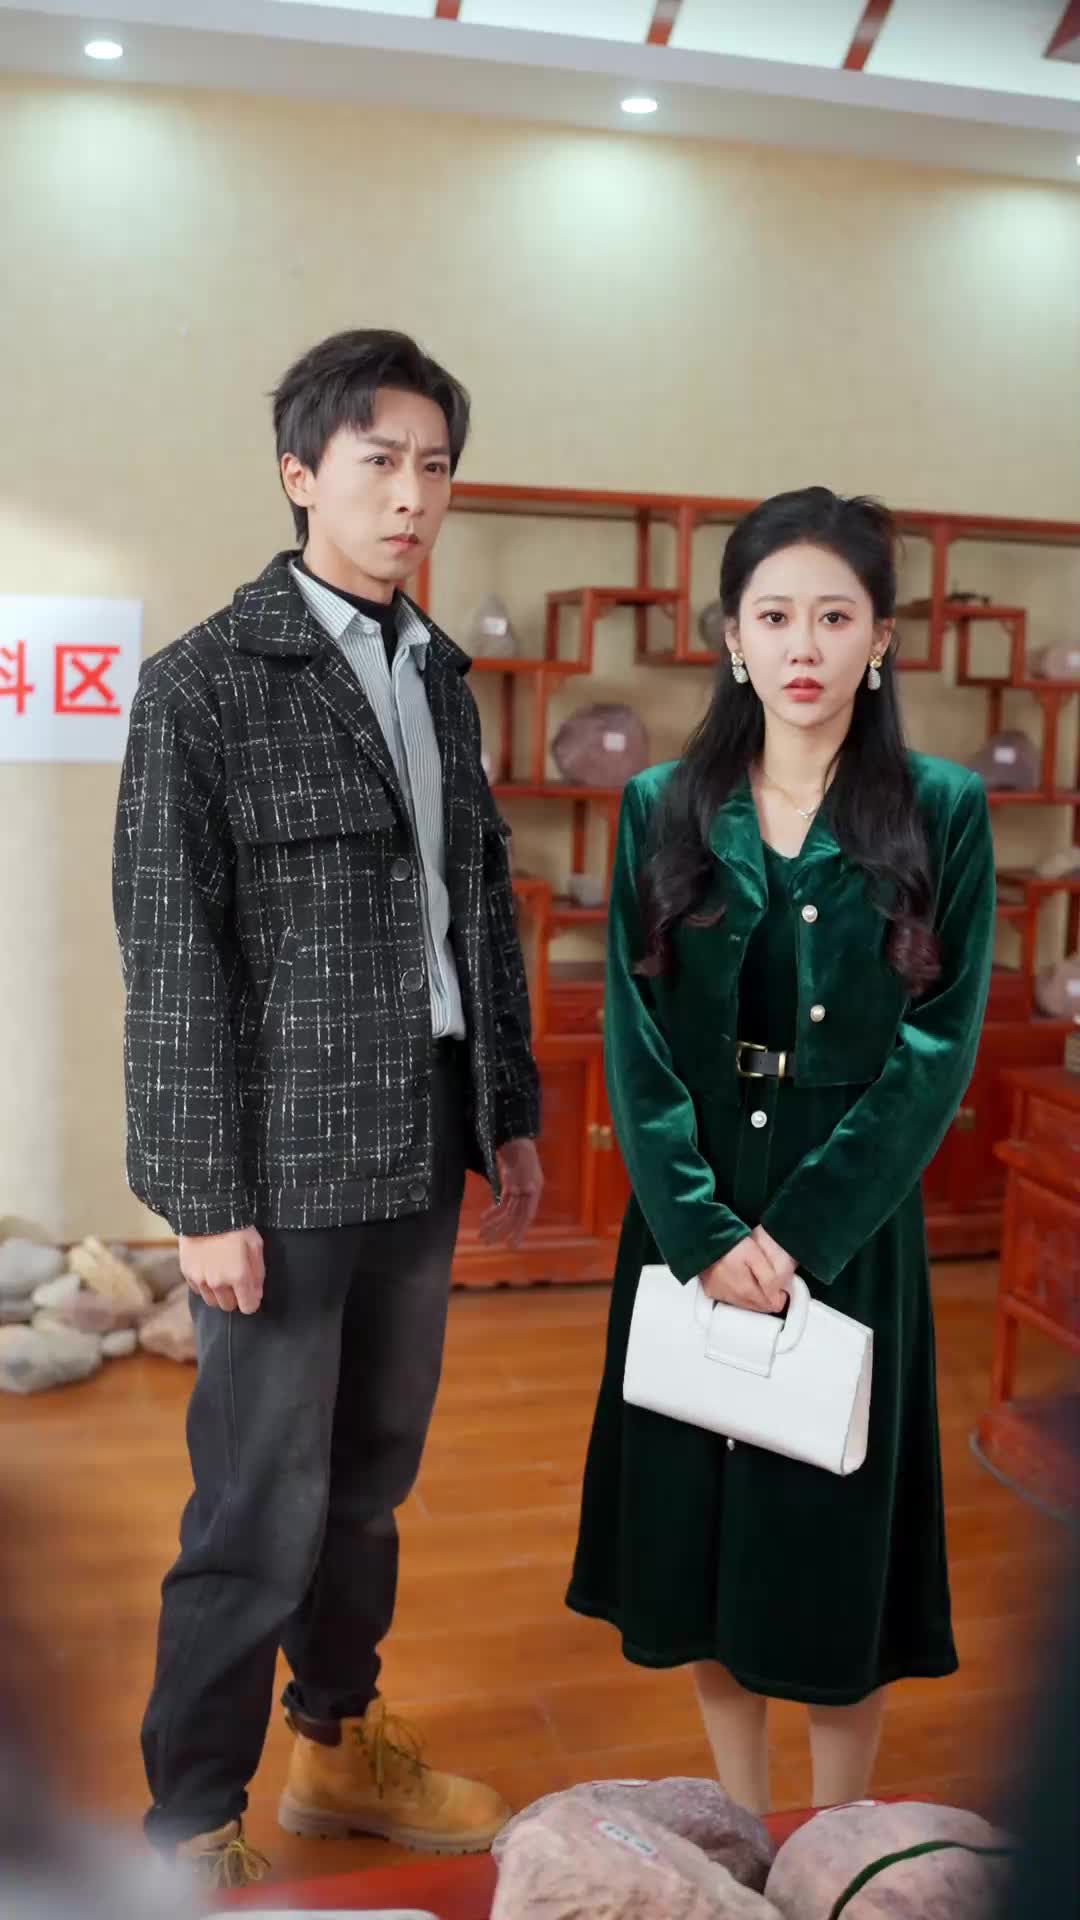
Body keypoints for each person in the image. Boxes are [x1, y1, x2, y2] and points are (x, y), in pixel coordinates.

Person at [113, 328, 543, 1887]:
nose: (413, 495)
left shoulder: (442, 678)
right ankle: (188, 1825)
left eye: (436, 466)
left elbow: (474, 912)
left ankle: (337, 1746)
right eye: (379, 462)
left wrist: (509, 1109)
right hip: (281, 1164)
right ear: (301, 474)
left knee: (370, 1484)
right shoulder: (203, 685)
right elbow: (171, 957)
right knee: (257, 1503)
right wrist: (202, 1200)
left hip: (421, 1133)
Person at [566, 487, 996, 1814]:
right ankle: (745, 1827)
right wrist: (701, 1232)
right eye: (774, 616)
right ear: (732, 637)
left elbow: (938, 1048)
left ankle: (839, 1838)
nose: (803, 644)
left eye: (834, 616)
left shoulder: (944, 808)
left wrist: (802, 1233)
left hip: (849, 1216)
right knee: (704, 1533)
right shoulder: (661, 805)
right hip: (693, 1204)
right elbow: (634, 1035)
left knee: (831, 1529)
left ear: (881, 640)